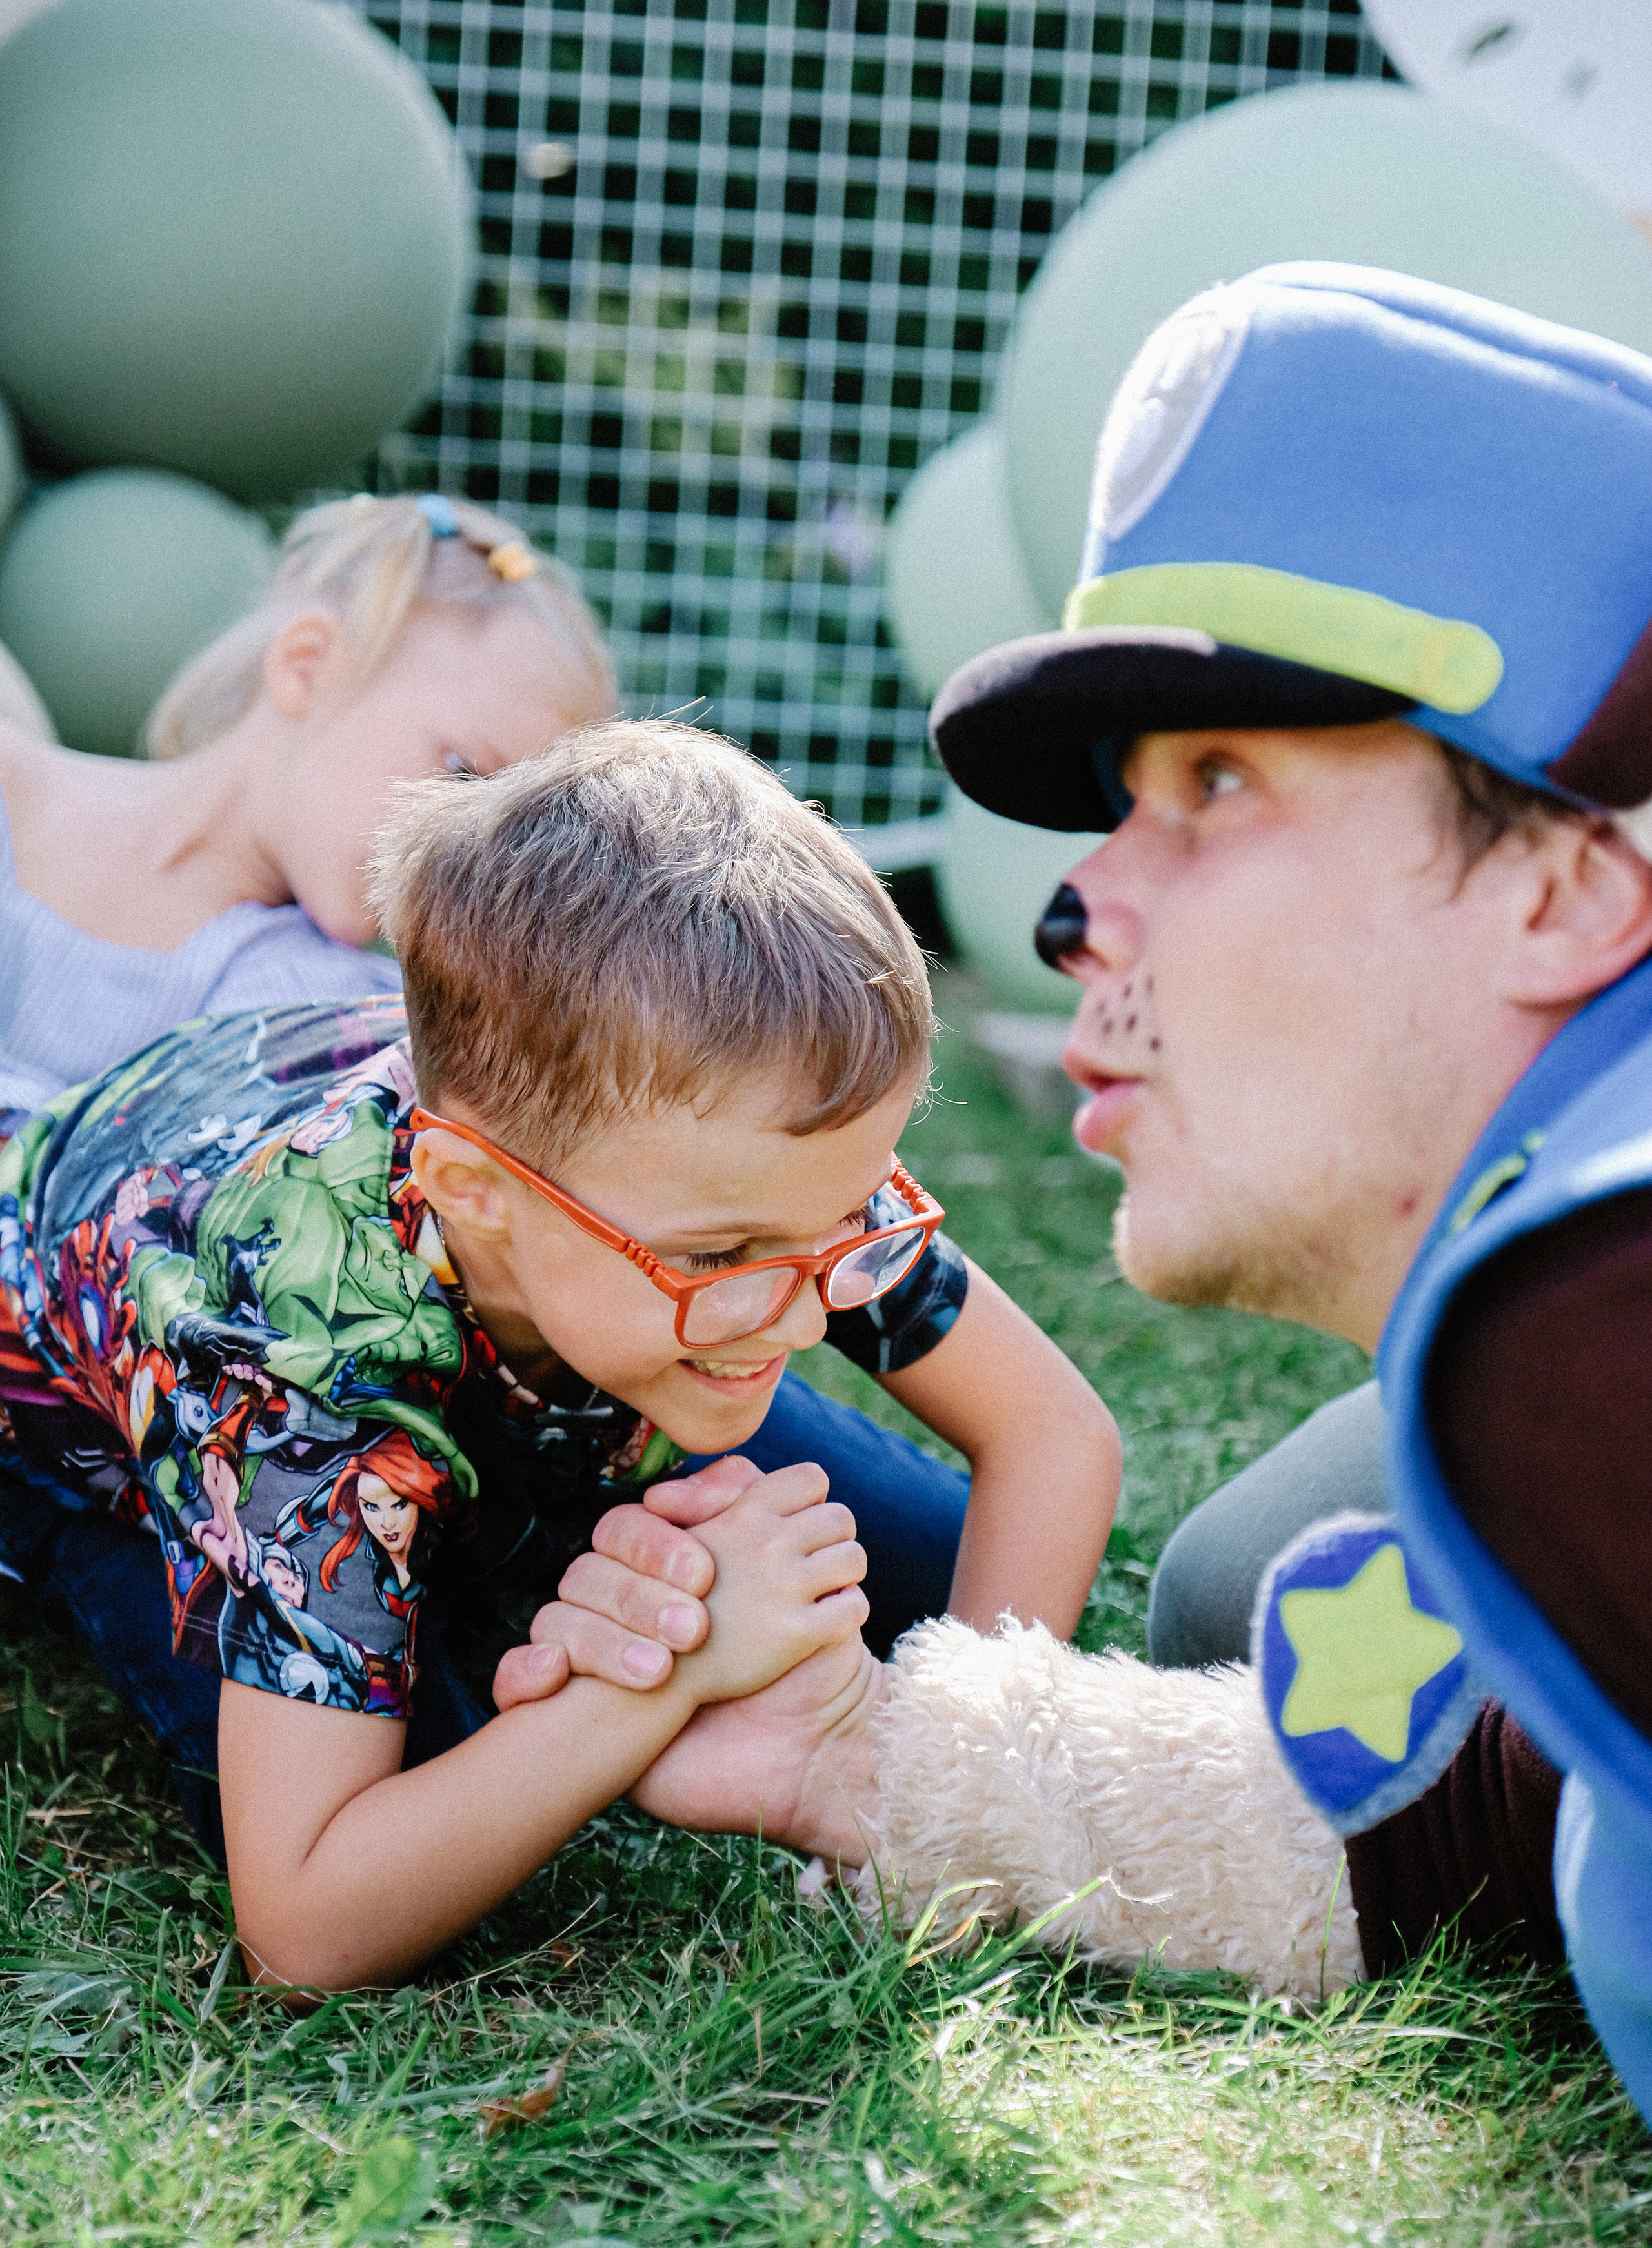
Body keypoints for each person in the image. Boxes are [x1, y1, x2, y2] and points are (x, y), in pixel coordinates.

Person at [512, 266, 1652, 2123]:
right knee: (1232, 1584)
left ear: (1565, 893)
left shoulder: (1599, 1308)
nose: (1075, 909)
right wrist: (877, 1759)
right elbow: (1501, 1801)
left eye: (1217, 784)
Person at [0, 718, 1119, 1990]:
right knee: (429, 1776)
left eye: (841, 1223)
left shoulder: (741, 1165)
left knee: (923, 1579)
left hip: (557, 1339)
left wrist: (938, 1777)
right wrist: (649, 1681)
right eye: (718, 1257)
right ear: (477, 1191)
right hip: (91, 1433)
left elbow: (1052, 1437)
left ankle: (525, 1507)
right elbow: (305, 1924)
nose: (808, 1317)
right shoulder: (299, 1335)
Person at [0, 489, 616, 1126]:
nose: (467, 862)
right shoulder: (11, 784)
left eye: (506, 837)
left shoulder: (310, 1007)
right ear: (308, 667)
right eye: (462, 772)